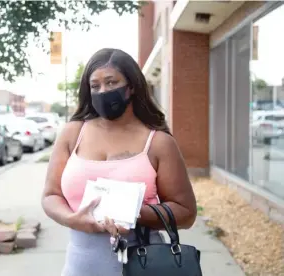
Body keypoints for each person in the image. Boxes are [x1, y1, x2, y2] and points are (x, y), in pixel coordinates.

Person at [41, 48, 197, 276]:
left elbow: (186, 212)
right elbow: (50, 195)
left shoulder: (158, 143)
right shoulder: (72, 133)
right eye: (95, 86)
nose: (103, 91)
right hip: (79, 268)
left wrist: (132, 212)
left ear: (131, 87)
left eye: (111, 83)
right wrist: (73, 220)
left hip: (144, 266)